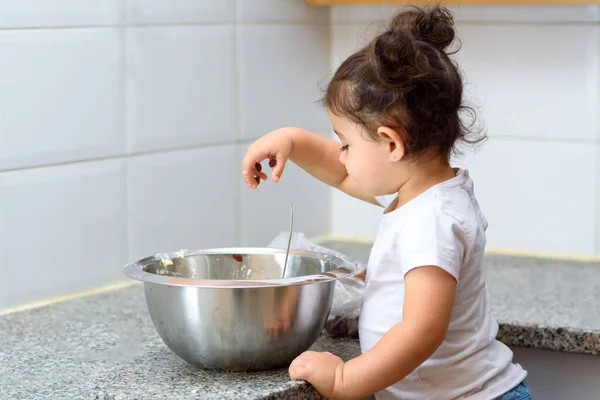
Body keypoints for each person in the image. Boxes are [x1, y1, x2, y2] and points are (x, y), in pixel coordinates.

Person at [241, 5, 531, 400]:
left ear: (391, 143)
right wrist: (292, 138)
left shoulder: (431, 220)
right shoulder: (421, 193)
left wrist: (345, 380)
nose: (341, 155)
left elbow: (422, 331)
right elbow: (342, 173)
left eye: (345, 143)